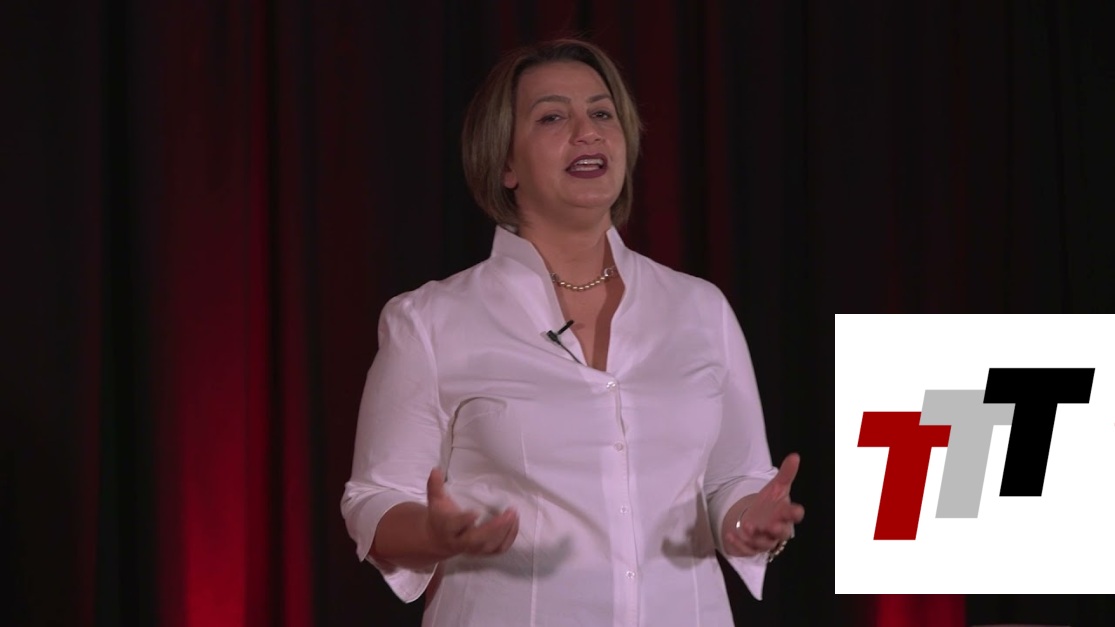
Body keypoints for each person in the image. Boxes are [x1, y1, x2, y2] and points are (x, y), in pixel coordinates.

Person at [340, 37, 804, 626]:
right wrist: (433, 533)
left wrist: (747, 521)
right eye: (553, 117)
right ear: (505, 164)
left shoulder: (699, 308)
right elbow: (375, 499)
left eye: (602, 114)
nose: (588, 132)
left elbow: (735, 478)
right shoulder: (430, 321)